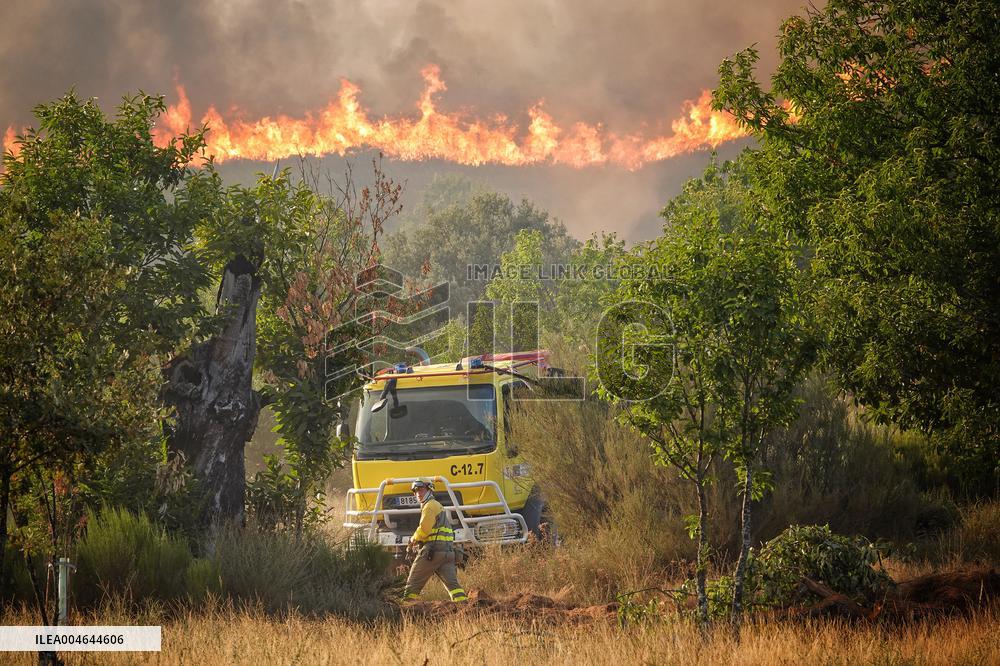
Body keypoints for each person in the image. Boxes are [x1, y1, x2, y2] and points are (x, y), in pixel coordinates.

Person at [401, 478, 467, 602]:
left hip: (433, 552)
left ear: (430, 489)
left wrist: (413, 539)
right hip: (447, 553)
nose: (418, 493)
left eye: (421, 489)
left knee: (412, 584)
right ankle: (465, 607)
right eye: (415, 491)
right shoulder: (438, 505)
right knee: (454, 587)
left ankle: (405, 609)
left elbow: (424, 530)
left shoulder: (429, 506)